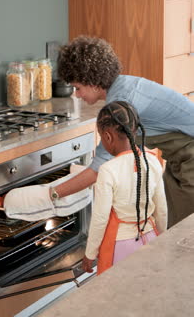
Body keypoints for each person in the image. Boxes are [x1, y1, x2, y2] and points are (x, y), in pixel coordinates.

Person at [50, 35, 194, 228]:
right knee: (170, 226)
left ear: (91, 81)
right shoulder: (124, 86)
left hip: (190, 159)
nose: (77, 95)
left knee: (182, 234)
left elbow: (98, 169)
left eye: (78, 88)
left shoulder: (121, 104)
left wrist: (51, 194)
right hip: (181, 159)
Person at [82, 101, 167, 275]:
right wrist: (162, 238)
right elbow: (162, 210)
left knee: (118, 298)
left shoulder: (108, 170)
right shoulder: (152, 161)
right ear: (134, 130)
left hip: (120, 246)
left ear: (107, 136)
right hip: (150, 238)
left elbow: (100, 218)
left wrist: (90, 253)